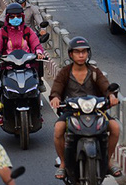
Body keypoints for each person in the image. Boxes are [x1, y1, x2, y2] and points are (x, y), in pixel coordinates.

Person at [49, 37, 122, 180]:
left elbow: (106, 87)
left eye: (84, 52)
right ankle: (63, 163)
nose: (81, 55)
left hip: (95, 111)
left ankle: (108, 160)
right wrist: (56, 98)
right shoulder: (65, 72)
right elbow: (56, 88)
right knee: (58, 129)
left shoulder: (95, 72)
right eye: (77, 52)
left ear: (88, 54)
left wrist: (112, 96)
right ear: (71, 54)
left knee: (115, 127)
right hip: (72, 112)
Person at [0, 3, 47, 92]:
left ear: (22, 17)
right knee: (3, 88)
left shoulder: (27, 30)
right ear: (7, 18)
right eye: (12, 17)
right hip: (8, 65)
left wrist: (39, 52)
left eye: (18, 16)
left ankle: (39, 85)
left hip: (27, 64)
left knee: (36, 80)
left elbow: (36, 44)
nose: (15, 19)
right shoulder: (2, 32)